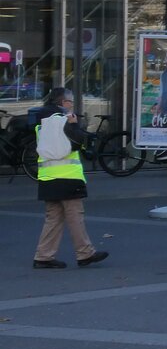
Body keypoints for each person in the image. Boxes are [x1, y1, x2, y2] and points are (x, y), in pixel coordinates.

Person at [32, 88, 109, 269]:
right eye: (71, 102)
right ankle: (85, 253)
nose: (72, 105)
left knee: (53, 218)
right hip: (67, 177)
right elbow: (76, 143)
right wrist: (74, 125)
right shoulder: (64, 120)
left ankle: (43, 256)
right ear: (63, 102)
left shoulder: (41, 122)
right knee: (75, 216)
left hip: (47, 177)